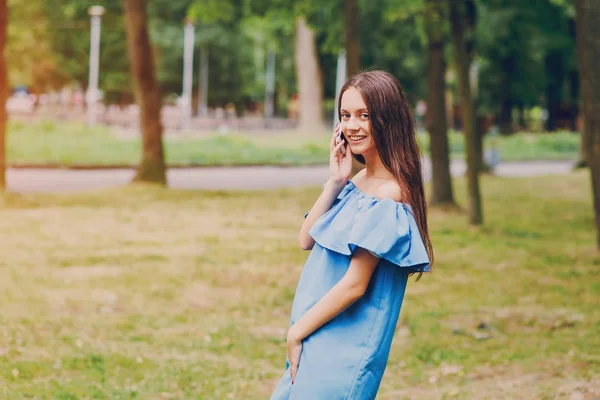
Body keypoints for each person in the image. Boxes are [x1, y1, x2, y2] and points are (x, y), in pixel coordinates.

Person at [269, 70, 435, 400]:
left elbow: (355, 285)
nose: (352, 125)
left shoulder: (390, 196)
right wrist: (335, 181)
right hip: (318, 333)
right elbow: (306, 239)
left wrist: (295, 332)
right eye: (345, 115)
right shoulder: (356, 184)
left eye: (364, 115)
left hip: (344, 350)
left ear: (387, 119)